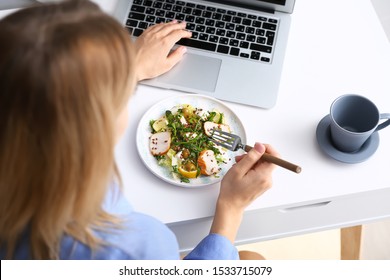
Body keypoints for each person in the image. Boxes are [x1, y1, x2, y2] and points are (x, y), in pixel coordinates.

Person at [0, 0, 278, 260]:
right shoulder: (138, 244)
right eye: (125, 94)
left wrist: (129, 69)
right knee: (255, 259)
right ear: (97, 127)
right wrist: (231, 208)